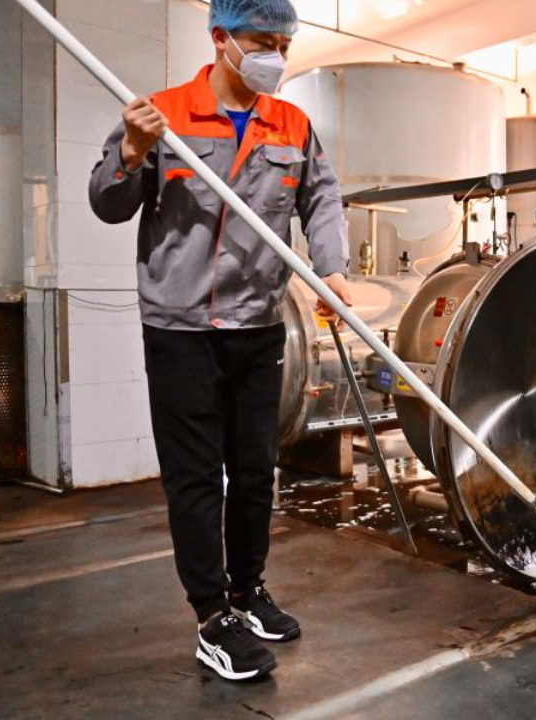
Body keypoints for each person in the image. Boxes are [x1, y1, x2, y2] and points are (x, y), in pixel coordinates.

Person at [88, 0, 352, 682]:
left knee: (255, 466)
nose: (275, 56)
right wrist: (132, 151)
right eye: (262, 41)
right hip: (178, 327)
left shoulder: (291, 124)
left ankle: (248, 589)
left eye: (283, 44)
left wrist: (331, 269)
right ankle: (212, 615)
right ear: (220, 39)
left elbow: (320, 199)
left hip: (257, 321)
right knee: (197, 475)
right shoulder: (162, 114)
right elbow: (108, 203)